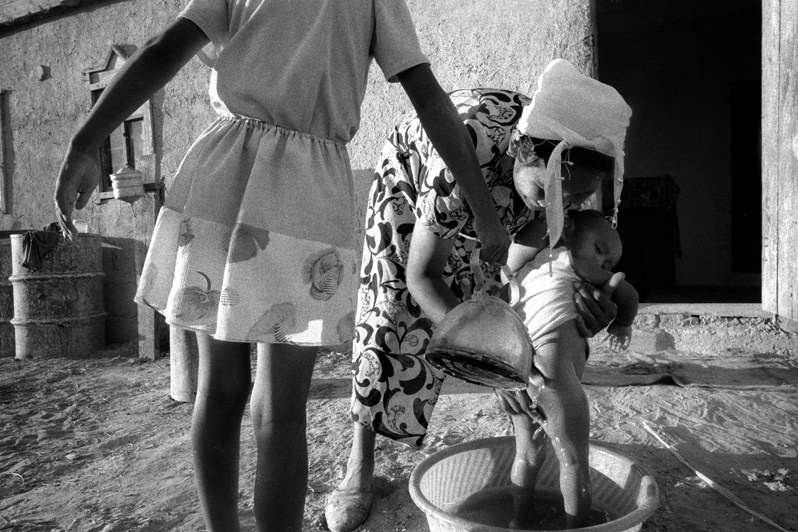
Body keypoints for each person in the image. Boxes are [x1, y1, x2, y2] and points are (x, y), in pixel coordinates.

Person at [52, 1, 512, 530]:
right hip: (307, 190)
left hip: (224, 170)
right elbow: (429, 97)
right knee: (281, 410)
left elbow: (163, 51)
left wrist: (85, 143)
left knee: (220, 389)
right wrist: (482, 209)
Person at [326, 59, 631, 532]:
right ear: (526, 152)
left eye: (575, 202)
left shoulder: (559, 174)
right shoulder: (465, 163)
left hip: (501, 193)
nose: (563, 212)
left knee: (491, 298)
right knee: (389, 316)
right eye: (557, 197)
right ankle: (359, 465)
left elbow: (520, 277)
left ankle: (520, 445)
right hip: (414, 180)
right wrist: (501, 366)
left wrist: (582, 307)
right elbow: (422, 277)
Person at [497, 209, 638, 529]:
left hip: (521, 374)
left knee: (527, 454)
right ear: (569, 231)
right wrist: (622, 324)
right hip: (554, 378)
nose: (602, 265)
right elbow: (627, 292)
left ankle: (521, 520)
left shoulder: (525, 272)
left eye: (608, 263)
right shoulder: (572, 261)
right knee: (574, 462)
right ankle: (577, 527)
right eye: (599, 249)